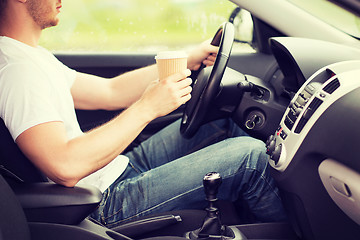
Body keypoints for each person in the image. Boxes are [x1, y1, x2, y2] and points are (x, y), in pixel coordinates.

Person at [0, 0, 286, 228]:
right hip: (98, 202)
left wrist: (187, 59)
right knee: (251, 158)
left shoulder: (31, 56)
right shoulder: (16, 70)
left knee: (223, 118)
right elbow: (64, 166)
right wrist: (148, 107)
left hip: (113, 170)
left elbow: (110, 91)